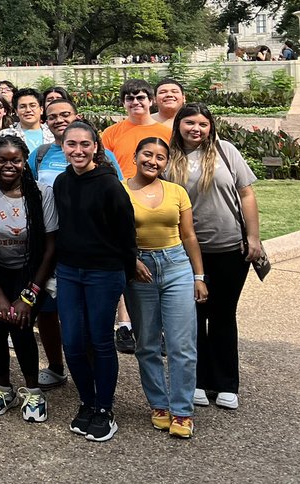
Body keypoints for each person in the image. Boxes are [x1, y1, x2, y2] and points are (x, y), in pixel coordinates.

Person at [166, 104, 262, 412]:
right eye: (190, 122)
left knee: (222, 314)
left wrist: (253, 236)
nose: (196, 128)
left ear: (211, 127)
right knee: (193, 317)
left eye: (203, 123)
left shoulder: (226, 151)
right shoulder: (167, 157)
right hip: (184, 251)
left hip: (228, 248)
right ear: (178, 124)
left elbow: (246, 193)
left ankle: (225, 383)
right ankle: (197, 380)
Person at [28, 97, 121, 389]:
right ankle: (56, 366)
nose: (58, 119)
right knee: (47, 310)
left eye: (65, 114)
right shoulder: (40, 154)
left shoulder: (104, 157)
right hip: (49, 245)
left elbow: (117, 203)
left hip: (89, 249)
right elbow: (30, 194)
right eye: (52, 115)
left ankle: (94, 372)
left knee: (89, 319)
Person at [53, 121, 137, 442]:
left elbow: (127, 233)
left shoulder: (109, 185)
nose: (78, 150)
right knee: (73, 342)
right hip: (70, 271)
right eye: (71, 144)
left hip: (103, 272)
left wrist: (125, 274)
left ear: (95, 148)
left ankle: (105, 408)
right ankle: (86, 401)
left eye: (84, 145)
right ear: (63, 147)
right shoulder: (61, 182)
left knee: (101, 341)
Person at [0, 136, 57, 424]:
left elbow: (50, 249)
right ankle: (3, 388)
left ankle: (33, 391)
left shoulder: (41, 193)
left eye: (15, 160)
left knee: (20, 328)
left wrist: (29, 293)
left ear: (24, 162)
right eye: (2, 160)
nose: (9, 165)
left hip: (29, 273)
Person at [123, 137, 206, 439]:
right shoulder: (120, 190)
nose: (153, 161)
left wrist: (199, 276)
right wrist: (130, 260)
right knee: (146, 342)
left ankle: (182, 410)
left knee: (181, 344)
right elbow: (115, 235)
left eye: (160, 157)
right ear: (135, 156)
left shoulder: (177, 191)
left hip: (176, 267)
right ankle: (159, 404)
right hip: (139, 270)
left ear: (166, 162)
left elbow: (189, 235)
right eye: (147, 154)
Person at [101, 79, 171, 353]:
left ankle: (159, 329)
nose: (136, 102)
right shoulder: (112, 132)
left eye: (141, 97)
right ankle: (125, 325)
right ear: (123, 103)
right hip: (121, 202)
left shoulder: (163, 131)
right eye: (130, 98)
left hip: (156, 202)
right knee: (125, 262)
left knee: (156, 264)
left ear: (151, 100)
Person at [8, 88, 52, 153]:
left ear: (41, 109)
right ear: (16, 111)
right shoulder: (6, 134)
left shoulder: (52, 134)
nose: (28, 110)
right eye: (23, 107)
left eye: (32, 106)